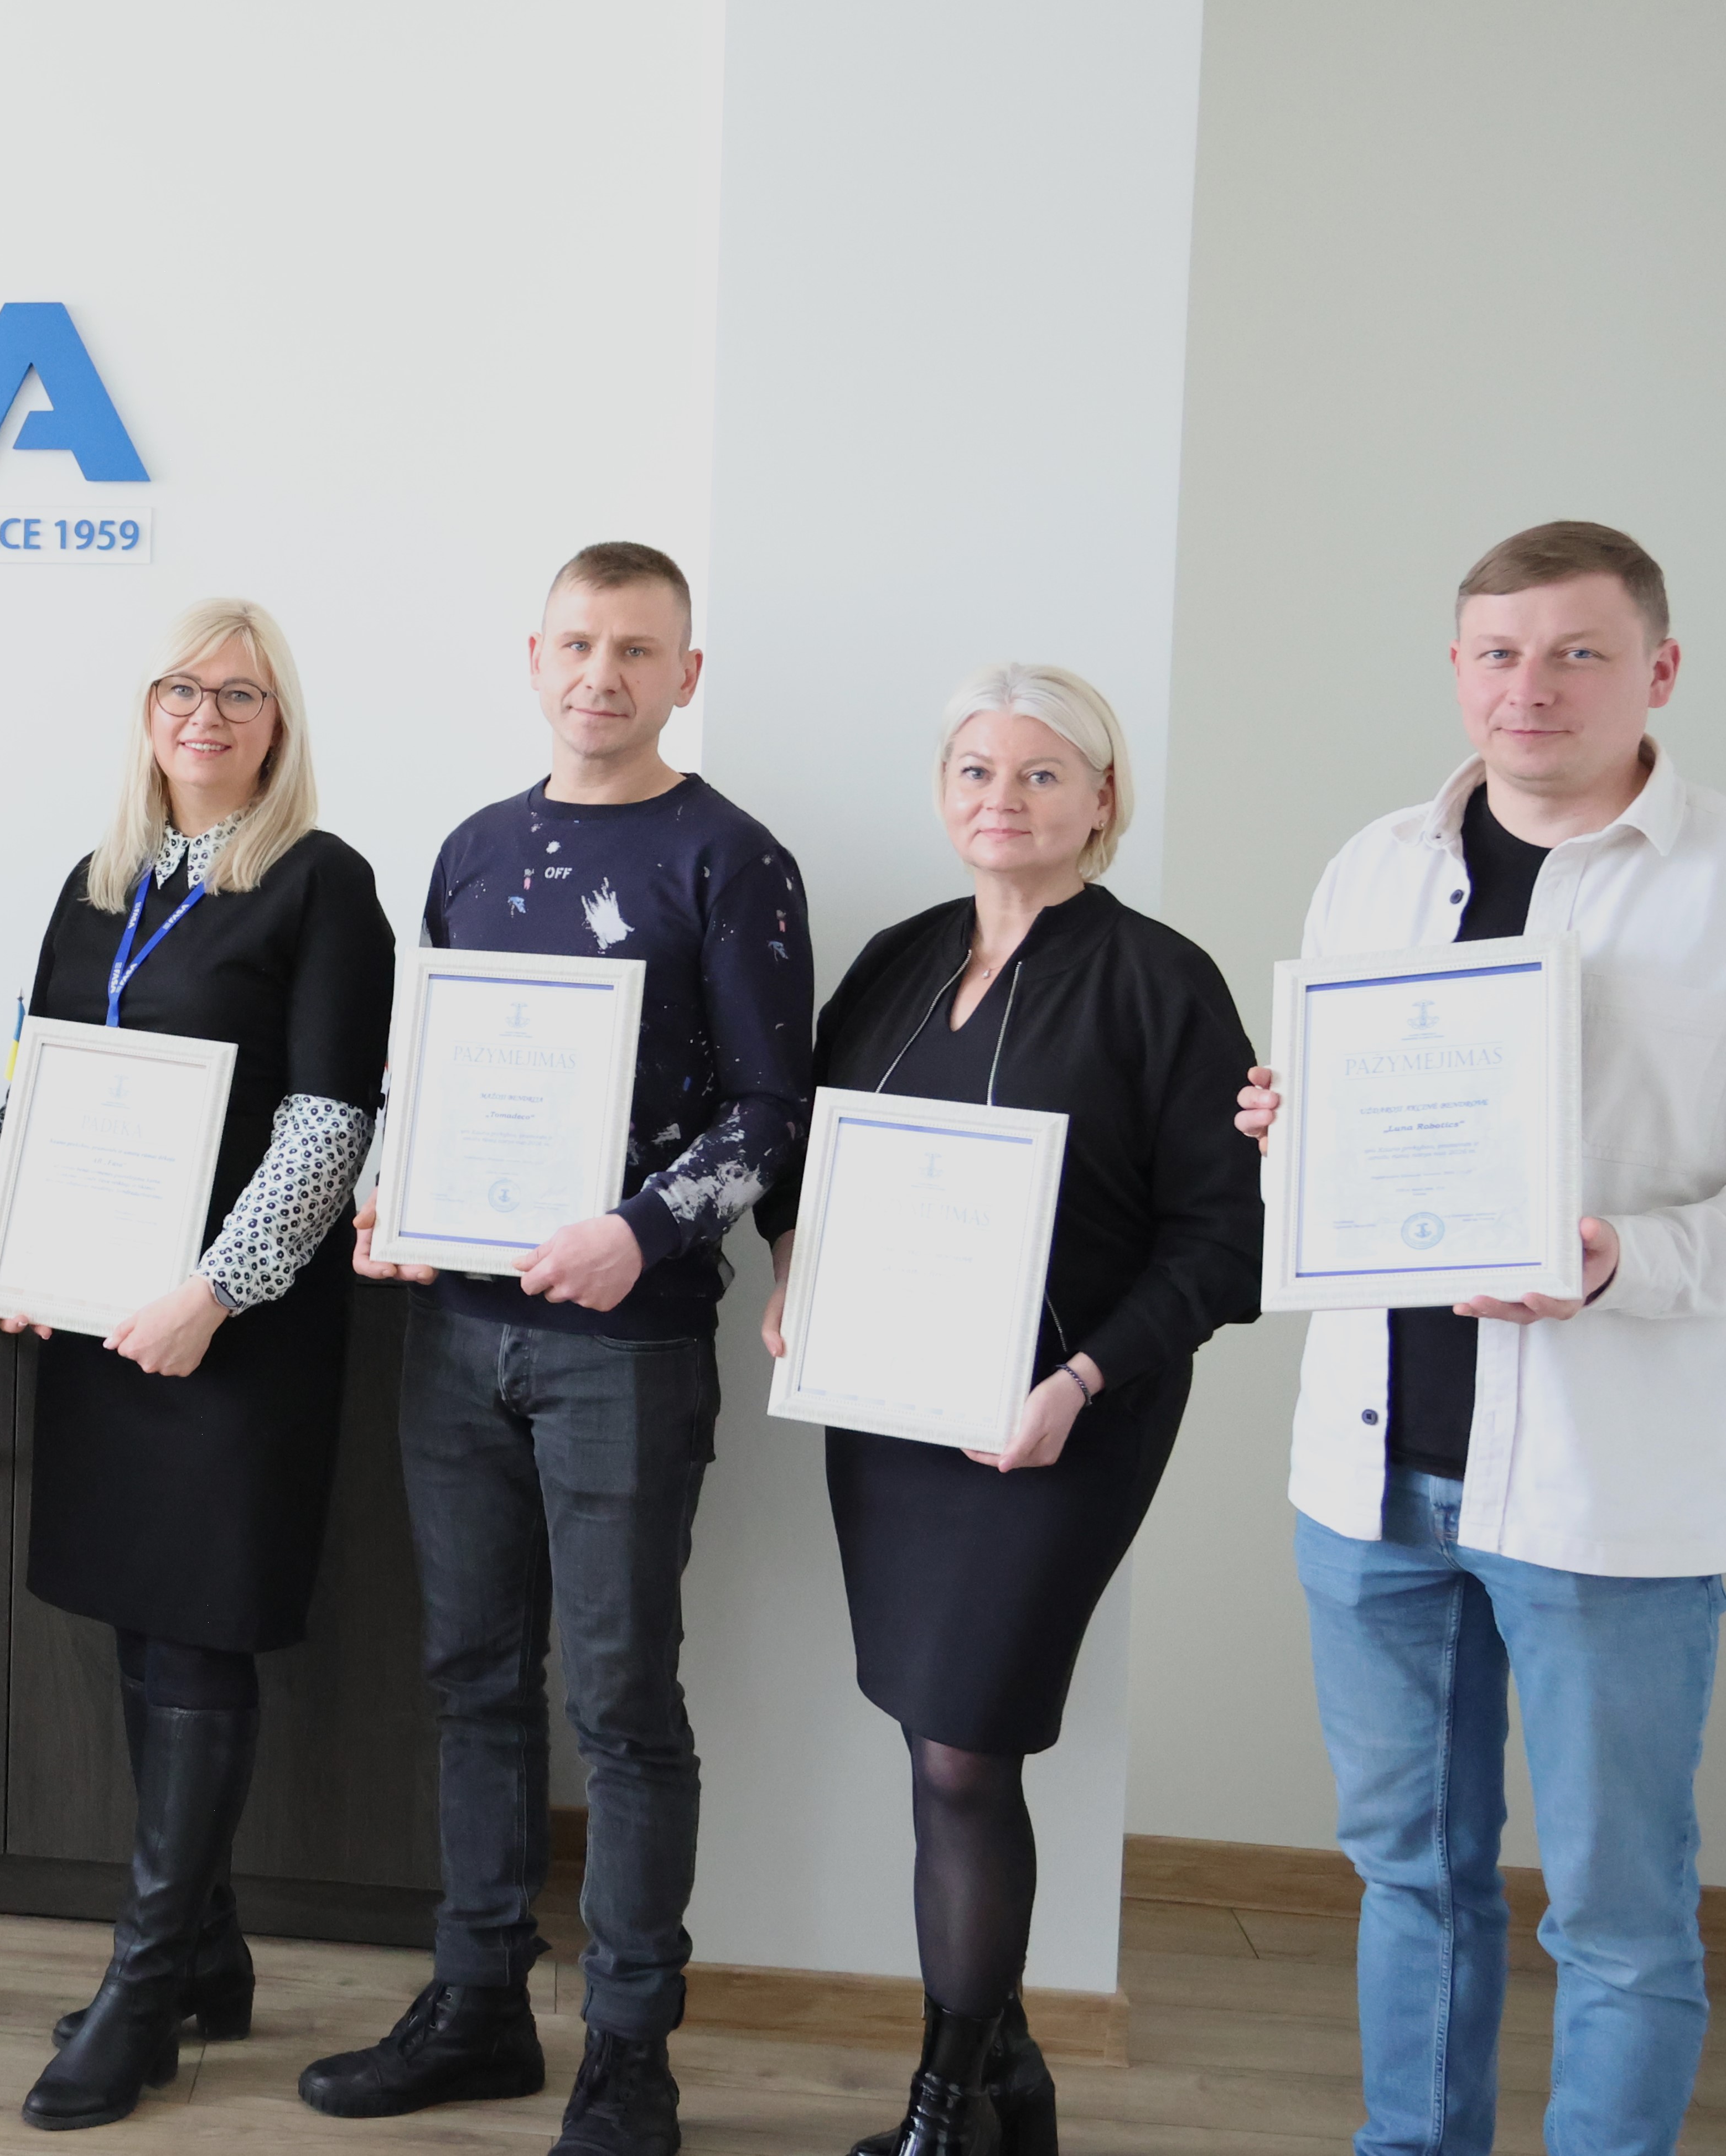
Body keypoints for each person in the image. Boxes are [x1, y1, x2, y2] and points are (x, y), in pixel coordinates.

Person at [306, 541, 812, 2156]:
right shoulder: (473, 848)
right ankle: (476, 2007)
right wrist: (392, 1197)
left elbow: (770, 1111)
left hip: (627, 1345)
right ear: (535, 658)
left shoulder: (732, 859)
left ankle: (630, 2051)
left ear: (687, 675)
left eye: (637, 649)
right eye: (579, 643)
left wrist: (642, 1230)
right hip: (455, 1333)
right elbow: (438, 1072)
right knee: (470, 1682)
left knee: (621, 1703)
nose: (603, 674)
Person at [1240, 522, 1717, 2156]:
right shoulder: (1376, 865)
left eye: (1579, 651)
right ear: (1457, 669)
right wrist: (1291, 1126)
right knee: (1406, 1874)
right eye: (1499, 654)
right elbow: (1348, 1145)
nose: (1532, 688)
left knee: (1617, 1909)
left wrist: (1623, 1257)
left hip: (1605, 1491)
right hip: (1371, 1478)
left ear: (1659, 669)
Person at [750, 664, 1258, 2153]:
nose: (1004, 797)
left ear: (1101, 801)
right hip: (891, 1411)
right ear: (942, 793)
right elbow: (805, 1154)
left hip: (1063, 1419)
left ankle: (942, 2110)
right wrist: (794, 1271)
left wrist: (1076, 1383)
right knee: (931, 1733)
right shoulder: (898, 960)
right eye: (977, 769)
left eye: (1041, 773)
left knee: (968, 1751)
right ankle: (1009, 2086)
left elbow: (1219, 1243)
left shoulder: (1161, 980)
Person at [0, 599, 393, 2132]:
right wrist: (7, 1231)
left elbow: (329, 1121)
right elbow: (40, 1082)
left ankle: (141, 1990)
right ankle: (206, 1952)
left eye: (240, 693)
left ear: (280, 724)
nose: (205, 714)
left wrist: (215, 1290)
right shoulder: (99, 888)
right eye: (180, 688)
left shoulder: (321, 884)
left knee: (200, 1638)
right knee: (143, 1634)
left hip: (232, 1334)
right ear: (146, 712)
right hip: (96, 1322)